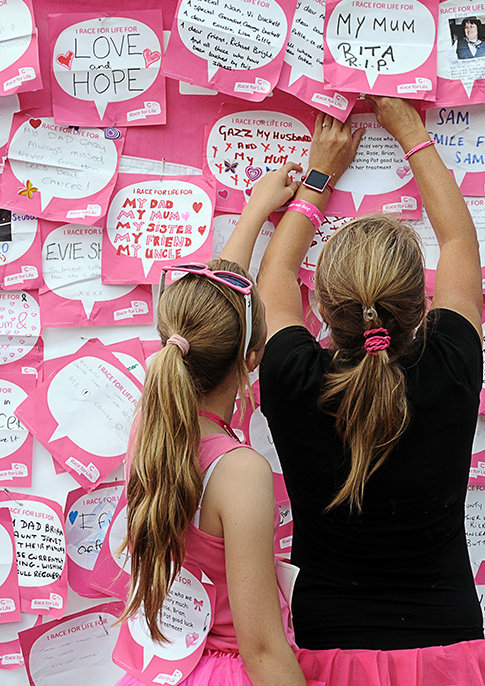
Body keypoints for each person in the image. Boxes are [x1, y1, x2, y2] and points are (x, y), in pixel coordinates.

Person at [256, 98, 485, 684]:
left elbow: (275, 278)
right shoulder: (452, 365)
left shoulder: (293, 378)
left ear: (324, 310)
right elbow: (460, 241)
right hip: (450, 650)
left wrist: (318, 177)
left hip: (326, 654)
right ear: (418, 305)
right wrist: (410, 131)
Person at [113, 166, 324, 686]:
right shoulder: (239, 472)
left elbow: (211, 314)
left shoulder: (153, 423)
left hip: (174, 668)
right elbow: (261, 648)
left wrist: (255, 210)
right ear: (253, 358)